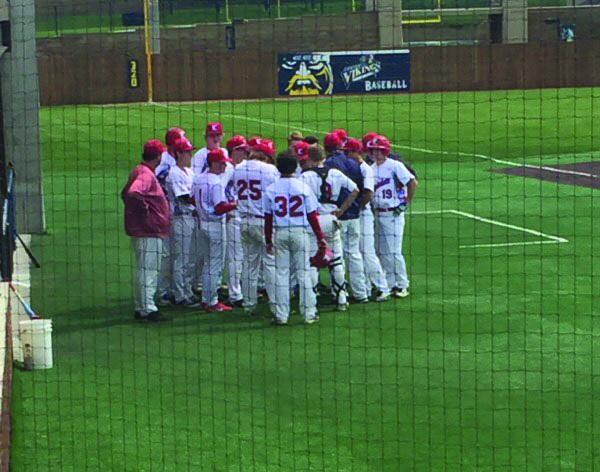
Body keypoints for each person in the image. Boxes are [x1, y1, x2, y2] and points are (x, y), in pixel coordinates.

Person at [263, 150, 327, 325]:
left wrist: (268, 240)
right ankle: (309, 313)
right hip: (300, 232)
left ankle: (281, 315)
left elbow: (268, 219)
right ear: (296, 166)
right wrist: (320, 237)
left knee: (282, 274)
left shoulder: (271, 189)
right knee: (304, 273)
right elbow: (312, 216)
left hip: (280, 232)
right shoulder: (303, 187)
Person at [299, 144, 359, 310]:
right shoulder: (335, 173)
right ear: (324, 156)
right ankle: (341, 299)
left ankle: (313, 299)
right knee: (337, 260)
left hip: (313, 220)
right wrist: (341, 210)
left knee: (311, 261)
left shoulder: (305, 176)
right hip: (332, 219)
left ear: (309, 158)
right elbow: (355, 190)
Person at [121, 139, 170, 322]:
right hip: (148, 231)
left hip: (145, 230)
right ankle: (148, 308)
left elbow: (125, 193)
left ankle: (142, 307)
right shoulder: (145, 174)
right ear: (157, 157)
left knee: (145, 269)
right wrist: (145, 212)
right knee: (149, 271)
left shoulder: (140, 170)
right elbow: (133, 193)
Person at [233, 140, 280, 315]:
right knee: (270, 264)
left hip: (244, 221)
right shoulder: (270, 170)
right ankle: (276, 305)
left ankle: (249, 304)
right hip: (264, 222)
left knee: (249, 264)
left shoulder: (238, 169)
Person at [368, 135, 417, 298]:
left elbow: (412, 182)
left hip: (393, 214)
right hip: (377, 213)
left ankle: (402, 284)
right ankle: (389, 283)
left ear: (385, 151)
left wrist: (406, 202)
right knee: (381, 251)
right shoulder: (371, 168)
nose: (376, 153)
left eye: (379, 150)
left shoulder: (395, 166)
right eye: (374, 150)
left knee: (394, 251)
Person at [343, 137, 390, 301]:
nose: (346, 155)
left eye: (348, 152)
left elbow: (368, 193)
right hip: (357, 214)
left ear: (358, 152)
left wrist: (356, 207)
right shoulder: (353, 167)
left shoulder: (365, 169)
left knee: (367, 252)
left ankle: (383, 287)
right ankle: (365, 288)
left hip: (363, 214)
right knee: (356, 251)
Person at [324, 131, 369, 303]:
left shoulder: (328, 164)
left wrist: (340, 210)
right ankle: (360, 292)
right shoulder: (353, 162)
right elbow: (359, 189)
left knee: (337, 256)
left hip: (338, 215)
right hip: (355, 214)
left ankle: (338, 292)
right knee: (355, 253)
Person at [193, 149, 237, 312]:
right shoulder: (216, 182)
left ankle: (206, 299)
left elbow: (192, 198)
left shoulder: (199, 179)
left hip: (202, 224)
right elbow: (219, 208)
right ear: (212, 163)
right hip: (215, 227)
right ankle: (211, 301)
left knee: (208, 263)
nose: (225, 165)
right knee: (215, 265)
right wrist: (234, 204)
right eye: (221, 162)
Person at [164, 137, 200, 307]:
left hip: (190, 218)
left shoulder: (189, 172)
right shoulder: (174, 173)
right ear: (178, 153)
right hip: (180, 219)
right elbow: (184, 197)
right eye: (187, 152)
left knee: (190, 258)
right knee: (181, 259)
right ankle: (180, 295)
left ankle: (187, 291)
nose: (190, 155)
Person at [156, 127, 186, 305]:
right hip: (165, 212)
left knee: (177, 253)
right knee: (167, 254)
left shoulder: (173, 160)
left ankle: (174, 288)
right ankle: (163, 291)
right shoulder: (164, 161)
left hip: (174, 211)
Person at [223, 135, 248, 307]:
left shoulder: (241, 168)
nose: (245, 152)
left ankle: (240, 289)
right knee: (235, 256)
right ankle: (234, 293)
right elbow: (220, 191)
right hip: (233, 218)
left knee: (241, 256)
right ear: (234, 151)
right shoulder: (227, 170)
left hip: (242, 217)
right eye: (241, 149)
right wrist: (227, 210)